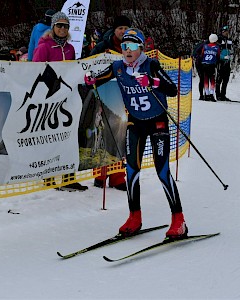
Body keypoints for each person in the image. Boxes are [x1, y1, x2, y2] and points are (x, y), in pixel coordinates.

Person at [84, 28, 188, 239]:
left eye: (132, 46)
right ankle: (135, 217)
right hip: (135, 123)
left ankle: (179, 220)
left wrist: (152, 82)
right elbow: (98, 78)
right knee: (131, 171)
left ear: (141, 48)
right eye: (124, 46)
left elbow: (172, 89)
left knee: (162, 171)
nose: (127, 50)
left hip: (157, 123)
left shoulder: (151, 65)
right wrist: (90, 79)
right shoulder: (118, 67)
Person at [32, 11, 88, 192]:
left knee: (69, 137)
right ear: (53, 27)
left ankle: (68, 177)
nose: (63, 29)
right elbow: (34, 73)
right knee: (50, 137)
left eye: (66, 26)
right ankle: (48, 177)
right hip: (48, 100)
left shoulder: (70, 49)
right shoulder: (44, 46)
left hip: (67, 99)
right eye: (59, 25)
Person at [88, 15, 131, 191]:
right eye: (120, 28)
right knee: (102, 134)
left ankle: (118, 177)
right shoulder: (103, 46)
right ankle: (100, 175)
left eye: (125, 28)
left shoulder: (131, 47)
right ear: (114, 30)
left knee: (121, 134)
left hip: (123, 97)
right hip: (104, 95)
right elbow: (88, 64)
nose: (123, 31)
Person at [216, 25, 234, 101]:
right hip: (220, 62)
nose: (226, 33)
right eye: (225, 31)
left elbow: (231, 49)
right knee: (219, 79)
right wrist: (223, 57)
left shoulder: (229, 40)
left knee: (226, 79)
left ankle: (223, 95)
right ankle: (218, 95)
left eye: (227, 31)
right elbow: (217, 51)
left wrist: (231, 54)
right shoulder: (219, 39)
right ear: (222, 32)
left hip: (227, 62)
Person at [200, 34, 220, 101]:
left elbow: (202, 55)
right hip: (212, 65)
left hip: (204, 65)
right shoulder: (217, 47)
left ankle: (207, 94)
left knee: (205, 79)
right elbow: (218, 56)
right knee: (212, 80)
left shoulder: (205, 46)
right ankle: (211, 94)